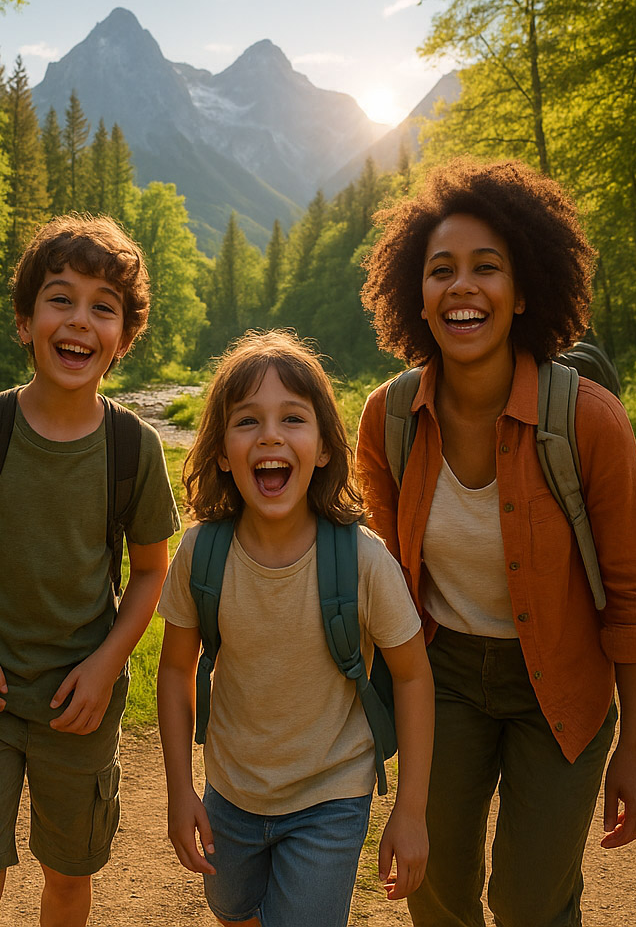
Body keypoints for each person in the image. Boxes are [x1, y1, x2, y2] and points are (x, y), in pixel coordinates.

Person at [355, 157, 636, 927]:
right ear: (416, 297)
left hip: (561, 686)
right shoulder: (387, 420)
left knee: (530, 902)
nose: (462, 286)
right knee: (437, 890)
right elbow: (377, 585)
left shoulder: (589, 421)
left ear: (522, 291)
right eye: (441, 271)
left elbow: (633, 594)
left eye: (485, 268)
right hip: (443, 680)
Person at [0, 215, 180, 927]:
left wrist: (105, 666)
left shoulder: (135, 449)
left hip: (78, 708)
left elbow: (152, 571)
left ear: (123, 338)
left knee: (67, 880)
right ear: (27, 321)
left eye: (104, 308)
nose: (80, 321)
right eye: (60, 299)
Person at [157, 329, 435, 927]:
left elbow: (413, 677)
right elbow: (177, 667)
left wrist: (410, 808)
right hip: (230, 790)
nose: (271, 435)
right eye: (247, 421)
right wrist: (181, 789)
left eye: (293, 418)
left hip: (331, 795)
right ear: (223, 452)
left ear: (326, 447)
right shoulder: (201, 554)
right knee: (232, 907)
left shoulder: (363, 561)